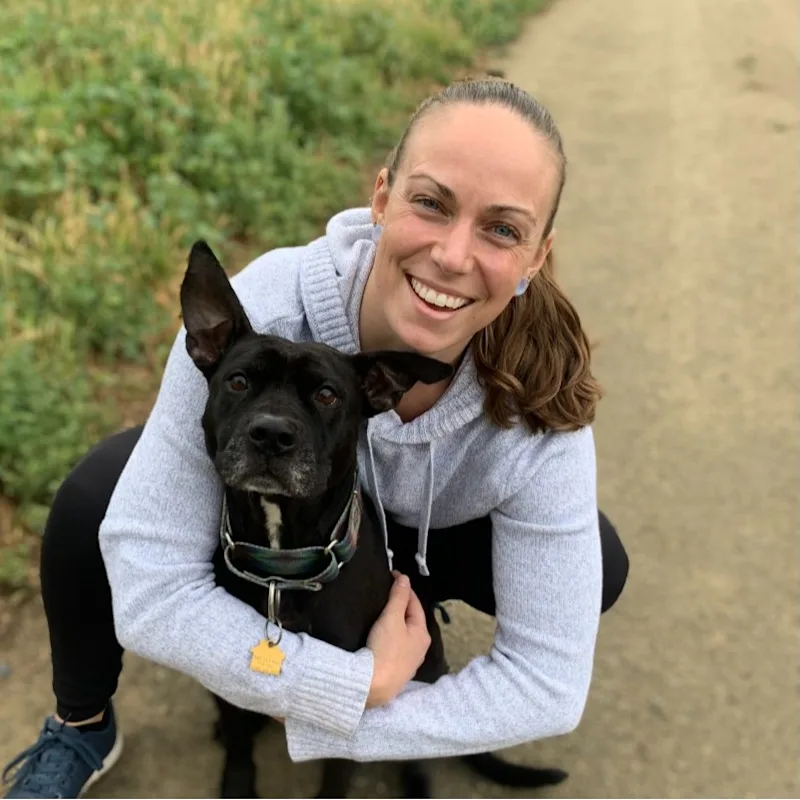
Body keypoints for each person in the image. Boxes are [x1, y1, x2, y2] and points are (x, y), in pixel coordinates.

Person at [3, 78, 629, 799]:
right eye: (432, 202)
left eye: (501, 229)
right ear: (383, 196)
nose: (454, 257)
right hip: (282, 517)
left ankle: (401, 610)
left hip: (424, 536)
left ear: (536, 258)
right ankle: (81, 724)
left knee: (596, 564)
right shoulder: (264, 302)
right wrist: (348, 682)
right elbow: (150, 590)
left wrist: (354, 715)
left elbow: (545, 686)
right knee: (92, 504)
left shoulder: (540, 400)